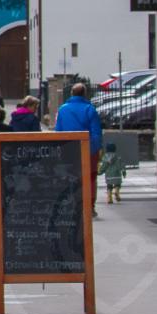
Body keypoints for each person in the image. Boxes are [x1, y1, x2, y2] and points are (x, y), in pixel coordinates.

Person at [54, 81, 105, 216]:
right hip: (88, 149)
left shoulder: (62, 109)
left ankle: (72, 205)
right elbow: (96, 133)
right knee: (90, 178)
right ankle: (90, 206)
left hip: (68, 150)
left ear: (71, 93)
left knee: (70, 177)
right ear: (85, 94)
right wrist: (93, 150)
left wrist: (60, 150)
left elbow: (58, 131)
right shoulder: (90, 109)